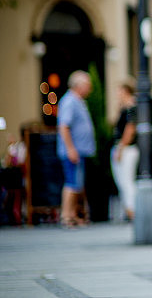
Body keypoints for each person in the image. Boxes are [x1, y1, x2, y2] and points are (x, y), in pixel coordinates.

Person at [56, 70, 96, 228]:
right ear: (78, 86)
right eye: (87, 85)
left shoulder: (78, 101)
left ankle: (73, 215)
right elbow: (64, 127)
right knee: (72, 183)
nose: (90, 89)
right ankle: (66, 216)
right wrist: (71, 149)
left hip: (80, 151)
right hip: (73, 152)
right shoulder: (70, 101)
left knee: (77, 184)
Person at [110, 78, 139, 222]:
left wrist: (121, 147)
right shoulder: (124, 107)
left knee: (126, 181)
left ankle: (133, 211)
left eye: (119, 90)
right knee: (122, 181)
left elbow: (130, 129)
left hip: (126, 149)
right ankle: (129, 210)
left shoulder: (131, 107)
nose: (117, 93)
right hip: (122, 147)